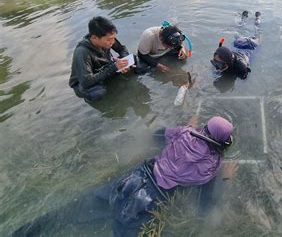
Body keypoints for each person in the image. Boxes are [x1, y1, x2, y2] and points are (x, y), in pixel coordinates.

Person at [13, 116, 238, 237]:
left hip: (132, 179)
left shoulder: (184, 132)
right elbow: (205, 207)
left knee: (71, 212)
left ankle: (22, 232)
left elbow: (157, 134)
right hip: (149, 204)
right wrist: (226, 178)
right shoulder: (213, 165)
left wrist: (188, 128)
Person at [69, 16, 130, 102]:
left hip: (103, 69)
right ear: (94, 38)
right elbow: (86, 81)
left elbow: (122, 49)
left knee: (133, 60)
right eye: (109, 40)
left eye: (113, 38)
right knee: (98, 93)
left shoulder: (108, 38)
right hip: (83, 82)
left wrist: (124, 62)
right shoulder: (82, 52)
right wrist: (114, 67)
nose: (112, 42)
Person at [211, 11, 261, 81]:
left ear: (227, 63)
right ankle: (243, 18)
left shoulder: (241, 68)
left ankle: (257, 18)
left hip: (250, 46)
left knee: (257, 32)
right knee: (239, 31)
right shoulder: (221, 62)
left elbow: (244, 79)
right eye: (214, 62)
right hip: (237, 44)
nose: (216, 67)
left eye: (219, 64)